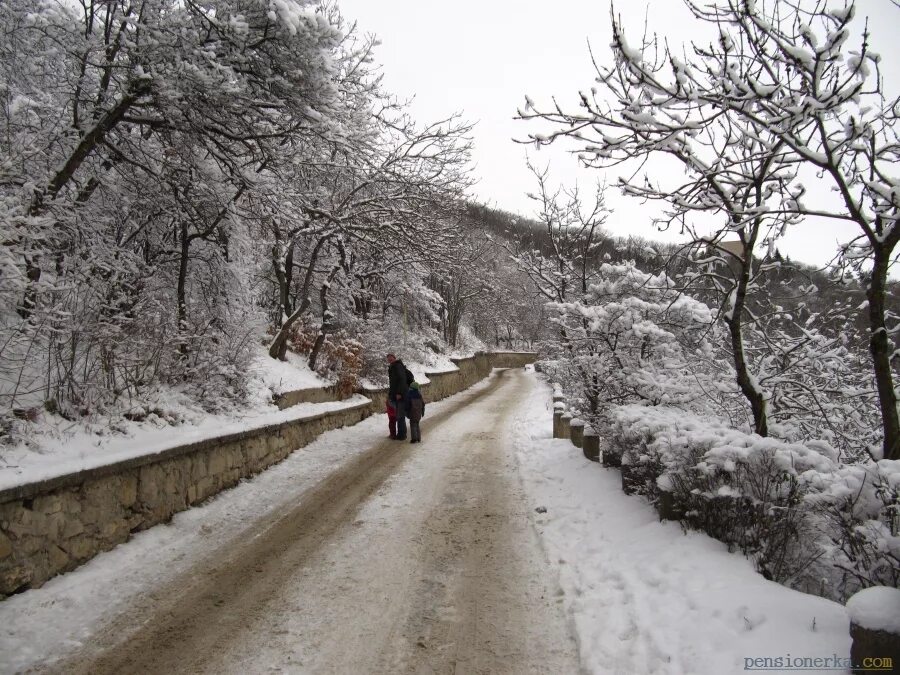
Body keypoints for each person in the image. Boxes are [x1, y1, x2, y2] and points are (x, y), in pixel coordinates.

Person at [386, 353, 411, 440]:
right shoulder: (392, 367)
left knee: (400, 415)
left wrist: (399, 393)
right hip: (396, 395)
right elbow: (393, 383)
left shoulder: (397, 366)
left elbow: (402, 380)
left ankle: (402, 435)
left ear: (394, 358)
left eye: (391, 358)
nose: (390, 360)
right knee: (398, 415)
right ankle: (400, 434)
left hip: (400, 395)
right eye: (388, 359)